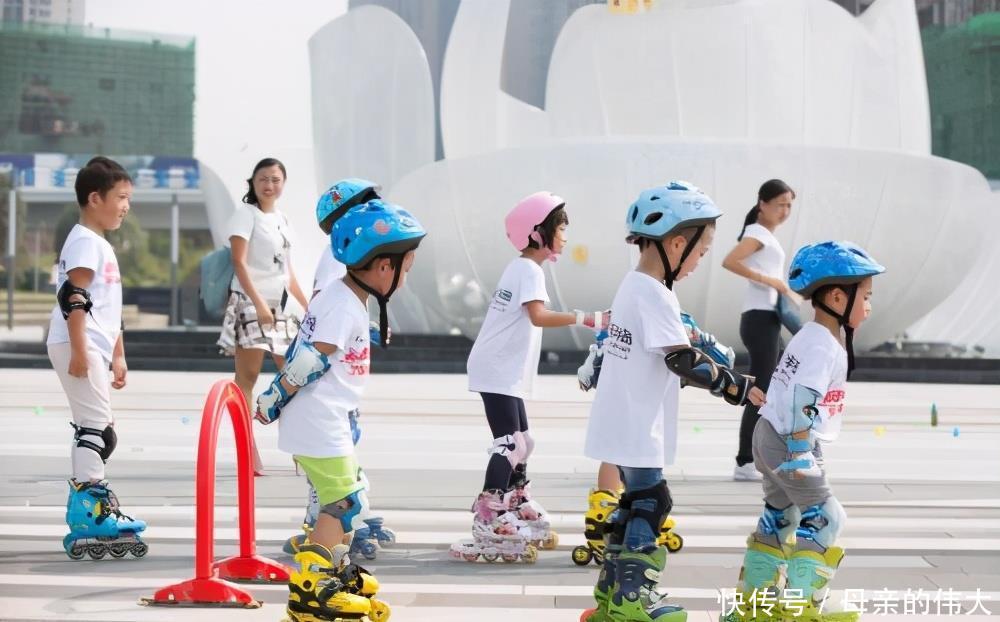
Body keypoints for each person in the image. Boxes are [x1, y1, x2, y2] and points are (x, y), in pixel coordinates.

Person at [582, 181, 764, 622]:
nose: (699, 262)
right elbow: (682, 359)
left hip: (621, 419)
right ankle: (634, 600)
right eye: (701, 252)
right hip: (638, 424)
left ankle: (611, 596)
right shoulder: (656, 293)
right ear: (677, 244)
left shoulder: (632, 286)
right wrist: (735, 387)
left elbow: (653, 359)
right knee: (652, 502)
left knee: (632, 504)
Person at [255, 199, 425, 622]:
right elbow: (310, 359)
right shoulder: (344, 303)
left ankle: (331, 570)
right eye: (407, 267)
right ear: (383, 267)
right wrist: (275, 397)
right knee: (344, 502)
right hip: (317, 419)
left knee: (350, 497)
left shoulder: (345, 295)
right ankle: (311, 590)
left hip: (326, 417)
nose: (407, 276)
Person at [720, 241, 884, 622]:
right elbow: (802, 397)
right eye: (866, 297)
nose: (869, 306)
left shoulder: (810, 335)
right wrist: (799, 452)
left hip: (769, 434)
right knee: (826, 517)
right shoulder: (823, 345)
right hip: (788, 441)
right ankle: (802, 607)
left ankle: (754, 605)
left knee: (780, 516)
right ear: (838, 297)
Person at [451, 191, 609, 563]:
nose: (565, 236)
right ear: (538, 232)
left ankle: (515, 501)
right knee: (509, 444)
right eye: (561, 228)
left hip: (501, 368)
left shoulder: (522, 268)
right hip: (496, 368)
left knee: (524, 441)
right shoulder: (528, 270)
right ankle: (489, 515)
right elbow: (538, 316)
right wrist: (589, 318)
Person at [281, 179, 395, 558]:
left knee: (340, 459)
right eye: (368, 204)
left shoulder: (347, 252)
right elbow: (324, 313)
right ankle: (325, 527)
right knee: (333, 466)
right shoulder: (340, 255)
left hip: (335, 382)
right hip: (325, 388)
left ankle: (339, 522)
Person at [47, 156, 148, 560]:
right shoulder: (86, 241)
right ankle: (91, 513)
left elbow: (107, 307)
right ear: (94, 198)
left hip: (91, 345)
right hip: (80, 343)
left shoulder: (97, 242)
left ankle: (88, 508)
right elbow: (74, 298)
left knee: (98, 430)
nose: (126, 206)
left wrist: (117, 355)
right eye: (121, 197)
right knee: (97, 431)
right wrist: (79, 352)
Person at [217, 157, 309, 473]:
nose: (269, 185)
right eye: (263, 179)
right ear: (253, 183)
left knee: (293, 375)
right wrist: (257, 304)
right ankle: (247, 452)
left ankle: (301, 450)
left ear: (283, 183)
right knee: (248, 378)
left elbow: (288, 273)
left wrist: (309, 307)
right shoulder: (246, 214)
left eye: (275, 179)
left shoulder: (283, 219)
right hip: (249, 301)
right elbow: (239, 262)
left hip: (280, 306)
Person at [721, 179, 800, 481]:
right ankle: (745, 462)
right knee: (762, 391)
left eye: (789, 205)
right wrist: (772, 281)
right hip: (759, 320)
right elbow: (730, 262)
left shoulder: (764, 234)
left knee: (777, 387)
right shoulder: (756, 233)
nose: (785, 211)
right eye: (780, 204)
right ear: (762, 204)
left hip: (767, 318)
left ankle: (764, 455)